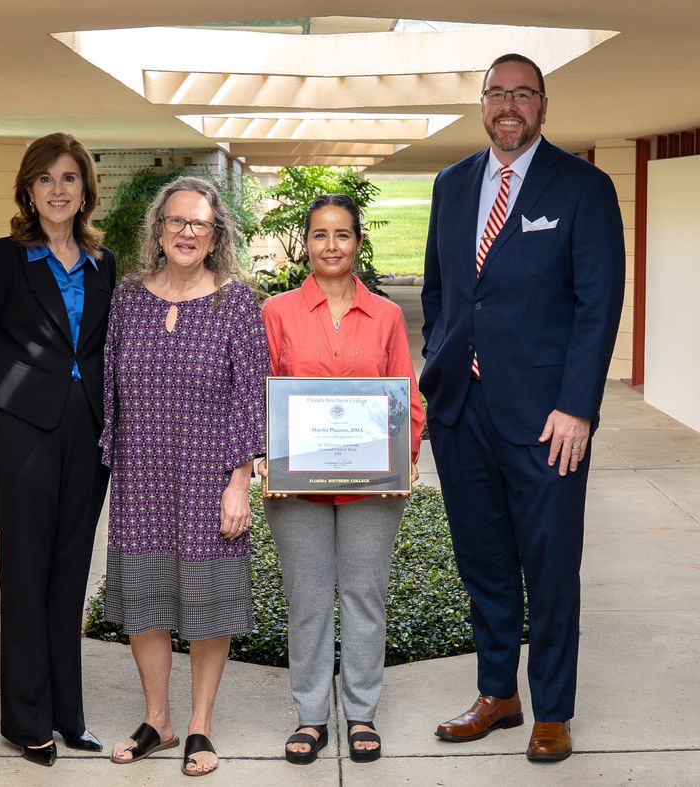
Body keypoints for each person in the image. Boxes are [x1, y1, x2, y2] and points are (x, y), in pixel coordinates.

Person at [419, 53, 625, 762]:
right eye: (497, 93)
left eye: (523, 94)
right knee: (483, 560)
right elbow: (443, 292)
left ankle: (554, 710)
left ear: (544, 105)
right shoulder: (451, 184)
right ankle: (498, 692)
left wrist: (578, 406)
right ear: (482, 104)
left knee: (550, 564)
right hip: (462, 411)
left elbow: (597, 305)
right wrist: (441, 369)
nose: (509, 105)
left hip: (547, 420)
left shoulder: (585, 187)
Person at [100, 176, 268, 777]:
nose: (187, 232)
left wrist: (237, 480)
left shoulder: (237, 301)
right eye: (177, 221)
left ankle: (199, 727)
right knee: (145, 599)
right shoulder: (128, 298)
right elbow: (107, 385)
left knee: (207, 600)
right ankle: (157, 721)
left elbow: (252, 398)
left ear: (216, 232)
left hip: (207, 475)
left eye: (199, 222)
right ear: (158, 229)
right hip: (141, 473)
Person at [0, 133, 116, 766]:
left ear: (85, 191)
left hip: (88, 430)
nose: (58, 189)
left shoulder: (103, 264)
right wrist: (17, 398)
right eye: (46, 178)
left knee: (70, 571)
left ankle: (67, 714)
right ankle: (25, 719)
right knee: (24, 571)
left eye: (69, 178)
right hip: (22, 432)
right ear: (28, 189)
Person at [259, 194, 424, 765]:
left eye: (343, 235)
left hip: (370, 485)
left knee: (363, 598)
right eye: (321, 235)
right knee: (306, 602)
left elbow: (407, 393)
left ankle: (360, 713)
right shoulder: (275, 313)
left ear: (358, 242)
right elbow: (260, 394)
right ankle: (309, 716)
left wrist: (405, 456)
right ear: (306, 242)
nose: (332, 246)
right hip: (297, 486)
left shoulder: (385, 316)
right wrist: (265, 458)